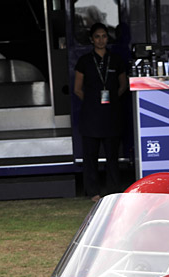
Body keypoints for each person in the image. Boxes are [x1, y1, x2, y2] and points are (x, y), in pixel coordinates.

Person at [73, 23, 127, 201]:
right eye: (97, 36)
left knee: (112, 156)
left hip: (111, 114)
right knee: (91, 157)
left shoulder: (116, 59)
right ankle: (93, 192)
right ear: (91, 39)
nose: (101, 40)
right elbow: (77, 89)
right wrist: (92, 103)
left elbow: (123, 85)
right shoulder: (84, 61)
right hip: (91, 115)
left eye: (104, 36)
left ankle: (113, 191)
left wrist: (112, 100)